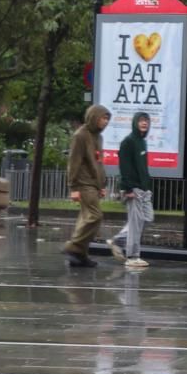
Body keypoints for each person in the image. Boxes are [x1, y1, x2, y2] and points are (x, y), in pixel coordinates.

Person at [63, 105, 111, 268]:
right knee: (95, 216)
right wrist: (73, 187)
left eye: (107, 119)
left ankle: (80, 255)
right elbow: (73, 162)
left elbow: (98, 162)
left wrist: (101, 184)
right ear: (94, 117)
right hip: (83, 183)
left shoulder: (98, 137)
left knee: (86, 218)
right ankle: (74, 246)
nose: (105, 122)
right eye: (103, 118)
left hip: (93, 184)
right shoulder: (80, 135)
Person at [109, 112, 155, 269]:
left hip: (144, 189)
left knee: (147, 218)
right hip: (133, 188)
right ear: (135, 122)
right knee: (135, 223)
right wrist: (127, 188)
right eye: (141, 121)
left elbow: (143, 167)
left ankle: (118, 240)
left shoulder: (142, 142)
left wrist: (147, 186)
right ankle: (133, 256)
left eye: (147, 121)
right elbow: (125, 167)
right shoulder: (128, 142)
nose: (144, 123)